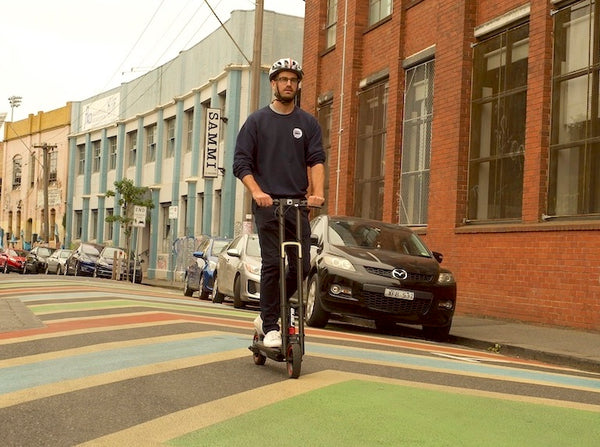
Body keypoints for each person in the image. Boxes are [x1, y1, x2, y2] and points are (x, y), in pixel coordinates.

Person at [233, 58, 326, 348]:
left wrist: (318, 193)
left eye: (293, 80)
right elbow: (241, 163)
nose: (288, 84)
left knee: (304, 264)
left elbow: (316, 160)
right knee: (272, 263)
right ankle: (269, 323)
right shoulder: (257, 121)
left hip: (298, 205)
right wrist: (257, 192)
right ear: (273, 84)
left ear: (298, 85)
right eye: (283, 79)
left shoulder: (307, 123)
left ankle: (276, 309)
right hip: (268, 205)